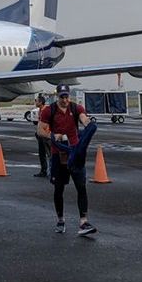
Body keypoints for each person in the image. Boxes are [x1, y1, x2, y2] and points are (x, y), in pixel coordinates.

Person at [37, 84, 97, 236]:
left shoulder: (76, 108)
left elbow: (84, 119)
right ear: (57, 96)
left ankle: (83, 221)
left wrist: (88, 124)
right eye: (62, 97)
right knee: (59, 189)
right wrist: (52, 135)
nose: (64, 99)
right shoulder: (49, 111)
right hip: (58, 153)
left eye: (66, 96)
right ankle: (60, 219)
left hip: (75, 153)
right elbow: (40, 130)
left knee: (81, 187)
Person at [33, 94, 50, 178]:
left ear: (41, 102)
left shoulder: (46, 111)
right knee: (42, 154)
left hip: (46, 136)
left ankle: (52, 172)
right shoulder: (40, 110)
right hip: (41, 136)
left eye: (36, 100)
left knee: (50, 154)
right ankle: (43, 171)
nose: (35, 102)